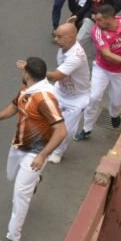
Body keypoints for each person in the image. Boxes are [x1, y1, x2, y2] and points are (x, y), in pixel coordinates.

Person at [0, 57, 66, 241]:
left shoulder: (44, 98)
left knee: (20, 194)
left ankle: (12, 237)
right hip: (19, 146)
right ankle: (35, 180)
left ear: (27, 74)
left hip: (36, 153)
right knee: (14, 178)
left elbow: (61, 131)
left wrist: (43, 156)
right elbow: (14, 107)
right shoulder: (26, 91)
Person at [74, 4, 121, 141]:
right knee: (93, 98)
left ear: (110, 19)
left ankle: (114, 114)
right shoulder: (97, 31)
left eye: (99, 20)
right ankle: (87, 129)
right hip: (102, 69)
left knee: (117, 101)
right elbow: (107, 55)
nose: (96, 23)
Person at [45, 23, 90, 164]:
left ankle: (58, 152)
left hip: (77, 98)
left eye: (59, 37)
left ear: (70, 38)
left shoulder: (76, 56)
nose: (56, 39)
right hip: (60, 90)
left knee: (67, 130)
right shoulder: (64, 46)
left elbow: (56, 76)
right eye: (55, 36)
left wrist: (34, 70)